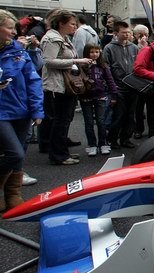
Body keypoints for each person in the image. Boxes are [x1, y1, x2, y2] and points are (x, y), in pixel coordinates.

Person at [0, 9, 44, 211]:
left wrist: (36, 110)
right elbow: (6, 75)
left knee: (19, 155)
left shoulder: (19, 51)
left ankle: (12, 195)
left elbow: (33, 81)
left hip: (21, 110)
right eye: (9, 28)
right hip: (2, 113)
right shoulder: (16, 50)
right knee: (14, 154)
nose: (13, 32)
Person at [40, 9, 93, 165]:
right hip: (57, 86)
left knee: (65, 120)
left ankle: (62, 151)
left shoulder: (63, 38)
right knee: (59, 121)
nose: (74, 27)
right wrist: (77, 62)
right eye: (71, 24)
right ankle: (58, 155)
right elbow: (48, 61)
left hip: (66, 84)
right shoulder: (52, 39)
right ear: (61, 23)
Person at [103, 21, 139, 149]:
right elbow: (106, 68)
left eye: (128, 32)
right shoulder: (109, 48)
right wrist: (112, 87)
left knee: (130, 115)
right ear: (116, 33)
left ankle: (126, 138)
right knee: (118, 115)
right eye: (123, 32)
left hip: (132, 86)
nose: (126, 35)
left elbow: (138, 66)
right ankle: (112, 139)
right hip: (118, 87)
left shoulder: (134, 47)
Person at [80, 43, 117, 156]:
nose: (94, 54)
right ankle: (92, 145)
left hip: (100, 96)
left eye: (97, 52)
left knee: (101, 121)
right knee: (89, 122)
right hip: (85, 97)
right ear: (86, 53)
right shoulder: (81, 65)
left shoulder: (103, 65)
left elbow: (110, 80)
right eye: (91, 52)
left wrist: (114, 94)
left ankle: (103, 143)